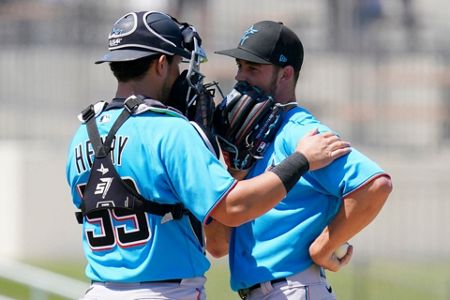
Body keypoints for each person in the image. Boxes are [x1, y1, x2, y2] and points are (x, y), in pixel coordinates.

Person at [65, 11, 351, 300]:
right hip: (167, 292)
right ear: (162, 64)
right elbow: (233, 207)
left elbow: (217, 239)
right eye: (178, 64)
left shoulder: (84, 131)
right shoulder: (171, 130)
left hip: (98, 290)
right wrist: (301, 160)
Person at [209, 20, 393, 299]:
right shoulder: (250, 137)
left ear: (285, 74)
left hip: (293, 288)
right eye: (240, 66)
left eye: (253, 68)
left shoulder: (299, 130)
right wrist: (234, 171)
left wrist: (325, 245)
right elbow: (218, 246)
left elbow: (376, 185)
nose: (240, 77)